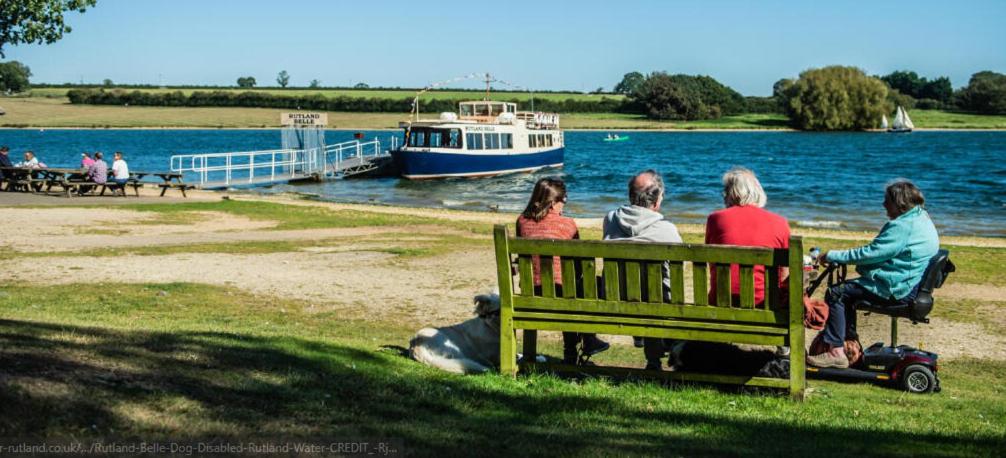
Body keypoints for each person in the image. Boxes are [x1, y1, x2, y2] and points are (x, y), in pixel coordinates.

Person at [809, 180, 939, 369]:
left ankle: (835, 352)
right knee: (849, 292)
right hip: (909, 284)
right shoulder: (922, 218)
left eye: (887, 200)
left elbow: (869, 253)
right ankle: (849, 344)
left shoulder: (902, 226)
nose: (883, 204)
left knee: (836, 292)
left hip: (896, 288)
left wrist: (831, 255)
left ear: (899, 203)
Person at [517, 177, 609, 364]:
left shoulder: (521, 221)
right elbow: (579, 263)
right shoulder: (567, 224)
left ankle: (580, 346)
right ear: (552, 203)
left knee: (571, 286)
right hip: (564, 296)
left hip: (532, 295)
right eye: (563, 200)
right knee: (583, 285)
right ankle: (579, 346)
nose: (564, 204)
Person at [603, 169, 683, 370]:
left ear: (630, 196)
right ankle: (656, 359)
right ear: (656, 201)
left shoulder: (611, 219)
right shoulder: (666, 230)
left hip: (617, 301)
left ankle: (651, 353)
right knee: (658, 294)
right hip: (658, 306)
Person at [705, 167, 790, 306]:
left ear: (732, 194)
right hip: (766, 306)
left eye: (725, 191)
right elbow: (784, 275)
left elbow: (711, 263)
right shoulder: (780, 222)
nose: (723, 196)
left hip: (721, 303)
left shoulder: (715, 219)